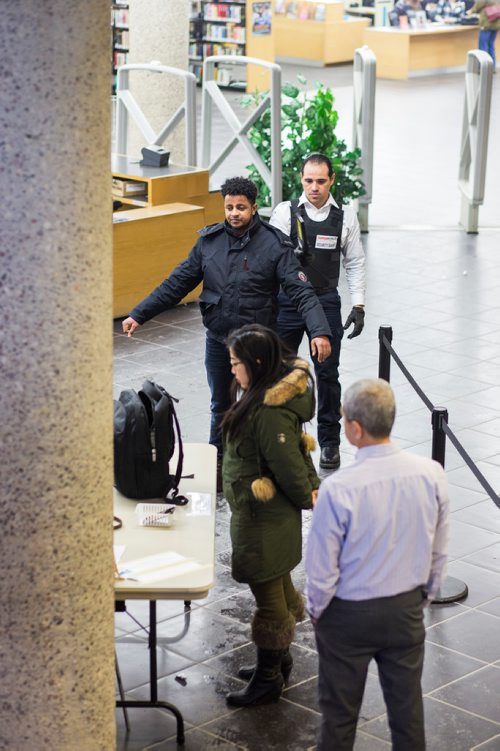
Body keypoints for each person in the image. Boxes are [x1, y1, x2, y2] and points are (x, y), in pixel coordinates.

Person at [122, 176, 332, 478]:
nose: (234, 213)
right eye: (229, 207)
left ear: (254, 207)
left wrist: (320, 331)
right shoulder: (209, 243)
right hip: (219, 340)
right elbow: (176, 284)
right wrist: (139, 314)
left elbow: (302, 292)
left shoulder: (274, 245)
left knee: (260, 406)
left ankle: (259, 465)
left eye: (241, 207)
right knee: (220, 404)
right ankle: (216, 463)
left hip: (256, 346)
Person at [305, 378, 449, 751]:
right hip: (405, 611)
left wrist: (319, 611)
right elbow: (439, 551)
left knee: (338, 718)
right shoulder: (431, 474)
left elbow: (321, 567)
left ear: (354, 428)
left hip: (347, 616)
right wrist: (422, 599)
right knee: (408, 715)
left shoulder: (338, 488)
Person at [221, 324, 319, 707]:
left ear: (256, 364)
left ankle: (268, 679)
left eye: (236, 363)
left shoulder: (267, 412)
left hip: (264, 518)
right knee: (277, 583)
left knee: (268, 597)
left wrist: (307, 491)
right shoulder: (262, 398)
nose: (231, 370)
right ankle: (278, 661)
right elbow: (295, 454)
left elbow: (288, 460)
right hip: (268, 514)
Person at [269, 153, 366, 472]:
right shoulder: (285, 212)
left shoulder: (345, 216)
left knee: (327, 374)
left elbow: (354, 261)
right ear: (301, 179)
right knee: (280, 371)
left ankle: (329, 442)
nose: (314, 187)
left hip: (325, 300)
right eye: (308, 180)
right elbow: (269, 259)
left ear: (332, 180)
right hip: (289, 301)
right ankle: (282, 435)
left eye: (321, 181)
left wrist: (358, 303)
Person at [468, 0, 500, 69]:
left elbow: (477, 6)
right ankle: (492, 67)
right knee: (491, 46)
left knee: (483, 47)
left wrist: (470, 11)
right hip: (496, 23)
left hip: (486, 24)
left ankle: (484, 68)